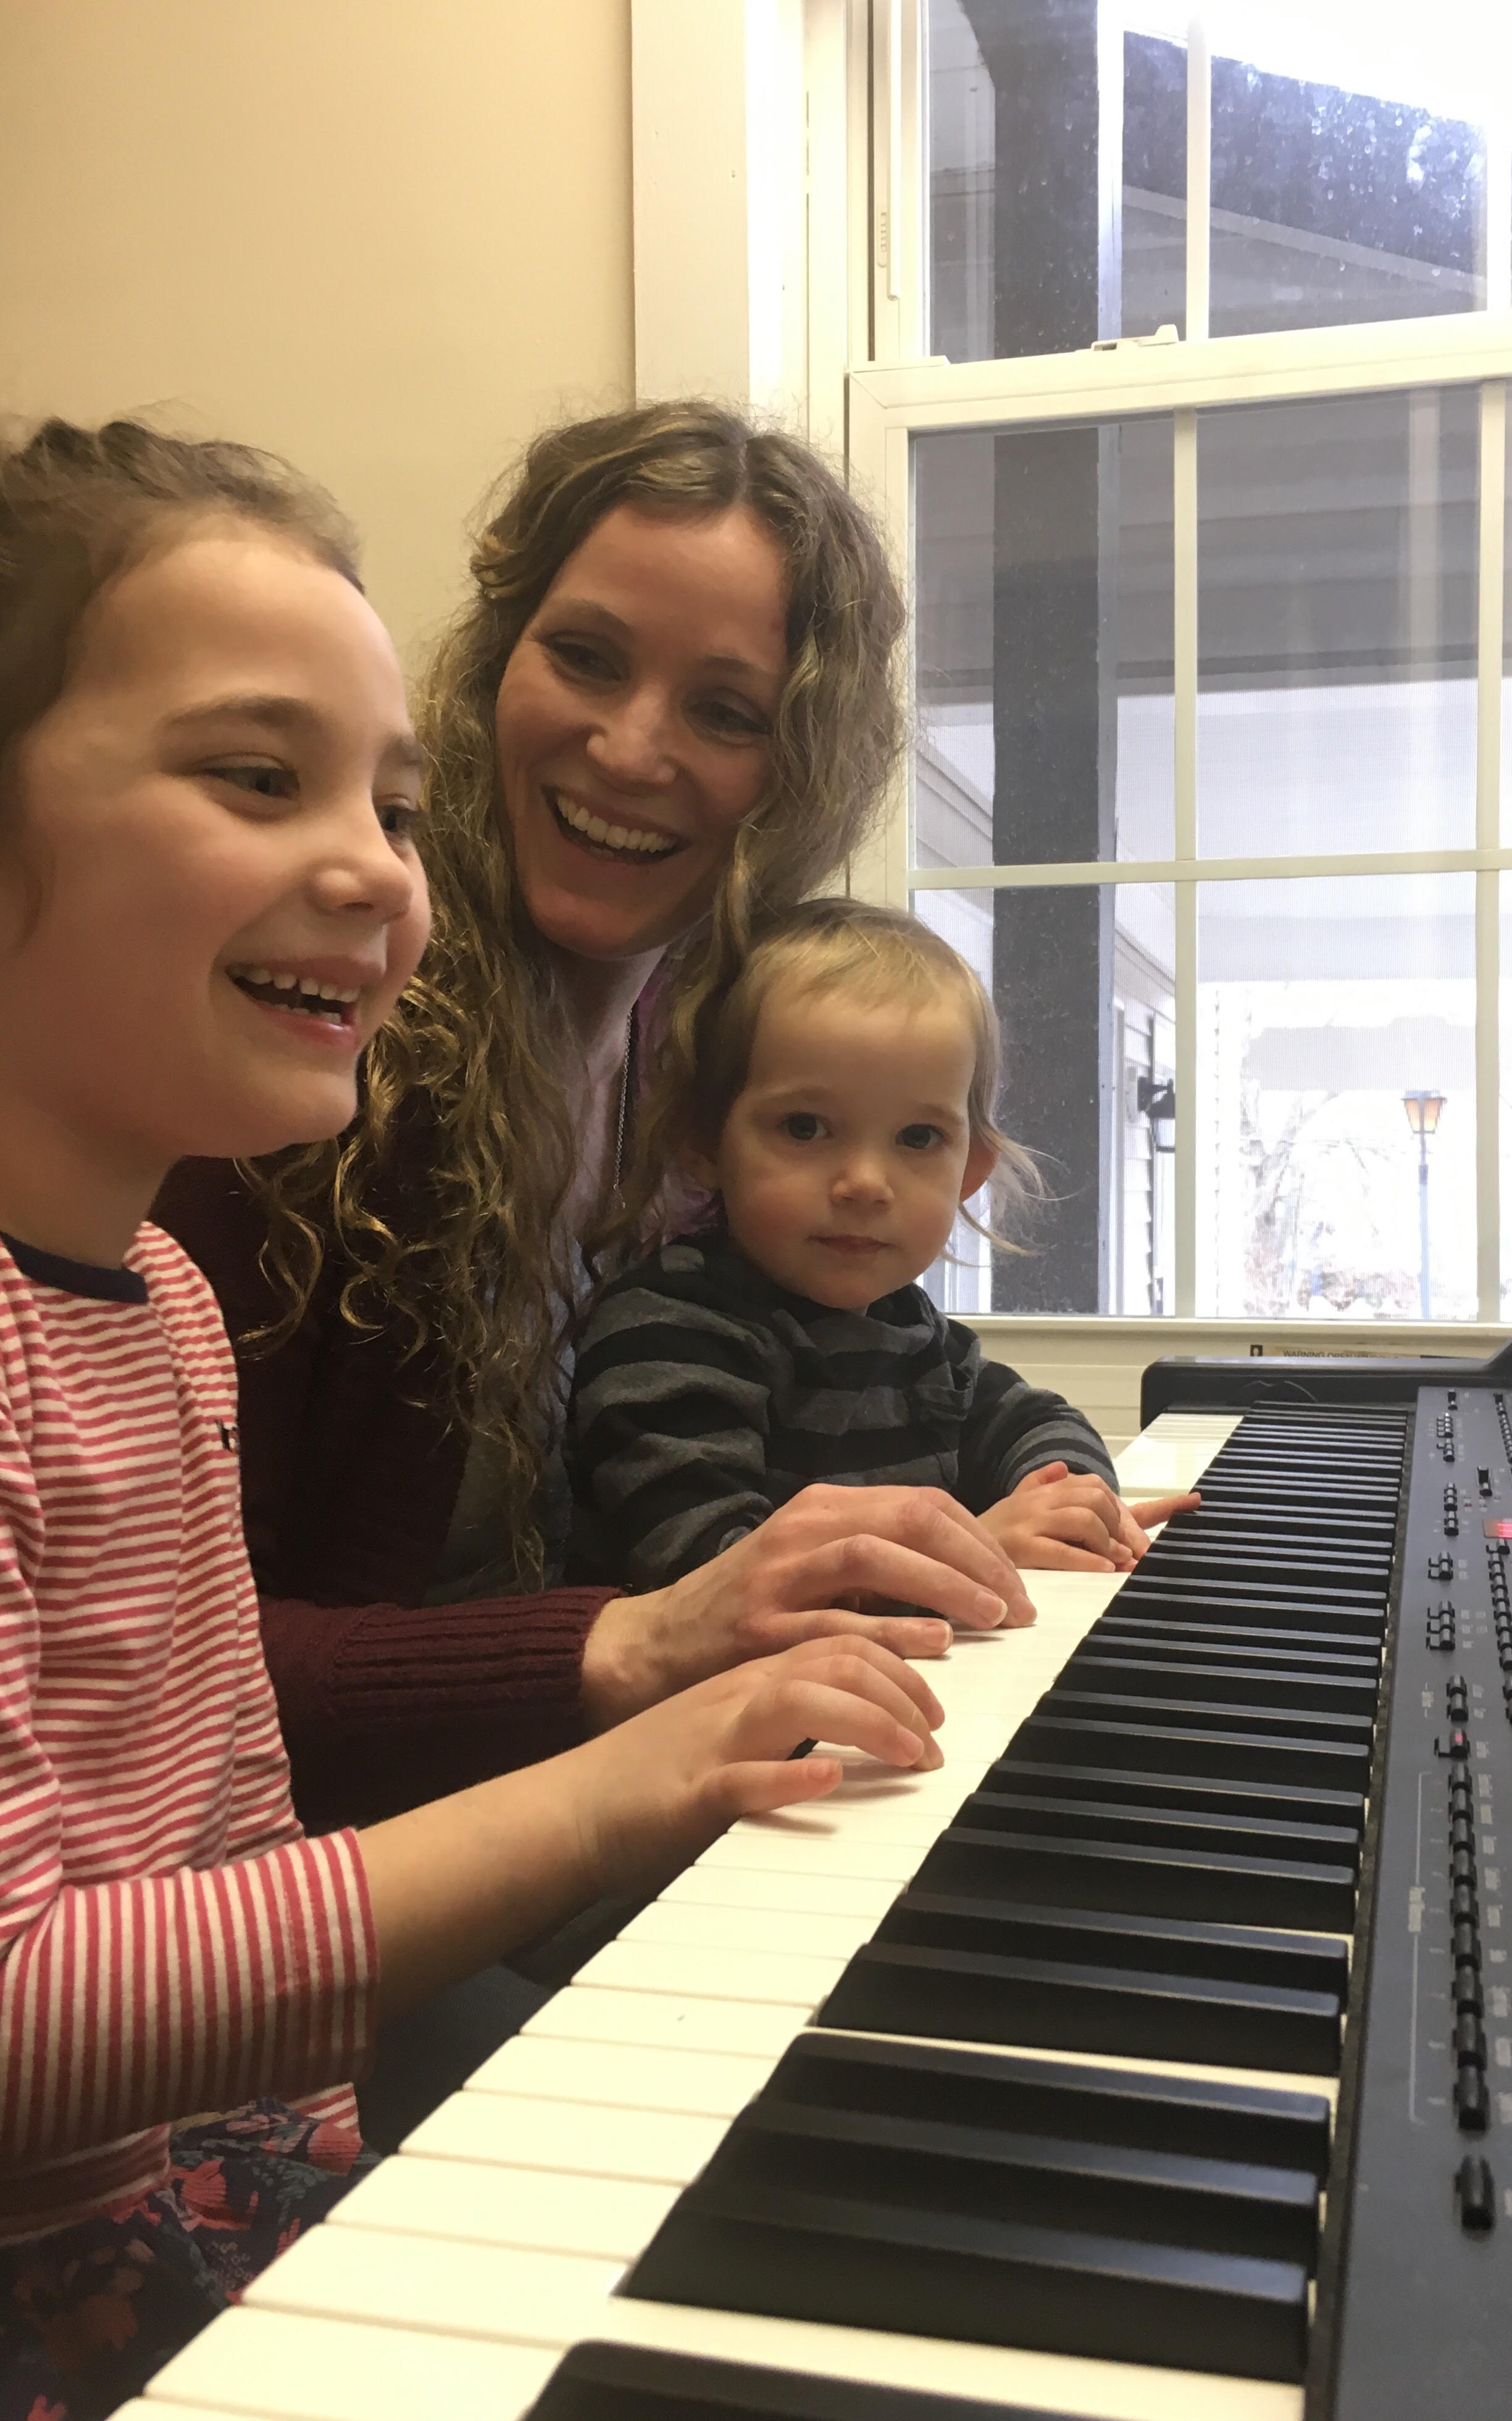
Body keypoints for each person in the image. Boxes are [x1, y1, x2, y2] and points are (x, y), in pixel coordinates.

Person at [0, 419, 943, 2419]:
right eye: (261, 779)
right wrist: (620, 1690)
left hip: (238, 2091)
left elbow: (210, 1787)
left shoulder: (163, 1286)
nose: (628, 748)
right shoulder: (260, 1097)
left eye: (721, 706)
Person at [151, 404, 1034, 1842]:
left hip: (585, 1801)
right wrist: (626, 1642)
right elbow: (157, 1685)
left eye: (726, 710)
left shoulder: (716, 1076)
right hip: (326, 1876)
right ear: (498, 656)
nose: (629, 749)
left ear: (794, 762)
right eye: (586, 657)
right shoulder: (317, 1050)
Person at [567, 899, 1198, 1590]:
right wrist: (980, 1546)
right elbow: (708, 1576)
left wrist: (1065, 1497)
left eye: (917, 1138)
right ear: (702, 1141)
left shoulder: (913, 1331)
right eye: (805, 1127)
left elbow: (1036, 1421)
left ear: (970, 1170)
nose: (865, 1183)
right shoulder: (668, 1332)